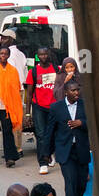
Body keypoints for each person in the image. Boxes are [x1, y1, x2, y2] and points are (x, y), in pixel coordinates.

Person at [50, 79, 91, 196]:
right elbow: (50, 130)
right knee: (70, 182)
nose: (76, 93)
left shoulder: (86, 105)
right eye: (73, 90)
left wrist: (82, 123)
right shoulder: (56, 107)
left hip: (81, 150)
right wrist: (46, 153)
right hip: (65, 151)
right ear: (66, 92)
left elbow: (94, 124)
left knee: (81, 185)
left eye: (77, 90)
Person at [25, 47, 60, 175]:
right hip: (39, 107)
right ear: (37, 56)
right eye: (41, 54)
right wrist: (28, 113)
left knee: (54, 134)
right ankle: (43, 163)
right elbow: (29, 94)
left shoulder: (56, 69)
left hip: (54, 107)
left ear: (49, 55)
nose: (44, 56)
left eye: (46, 54)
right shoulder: (33, 72)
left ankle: (50, 153)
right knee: (40, 135)